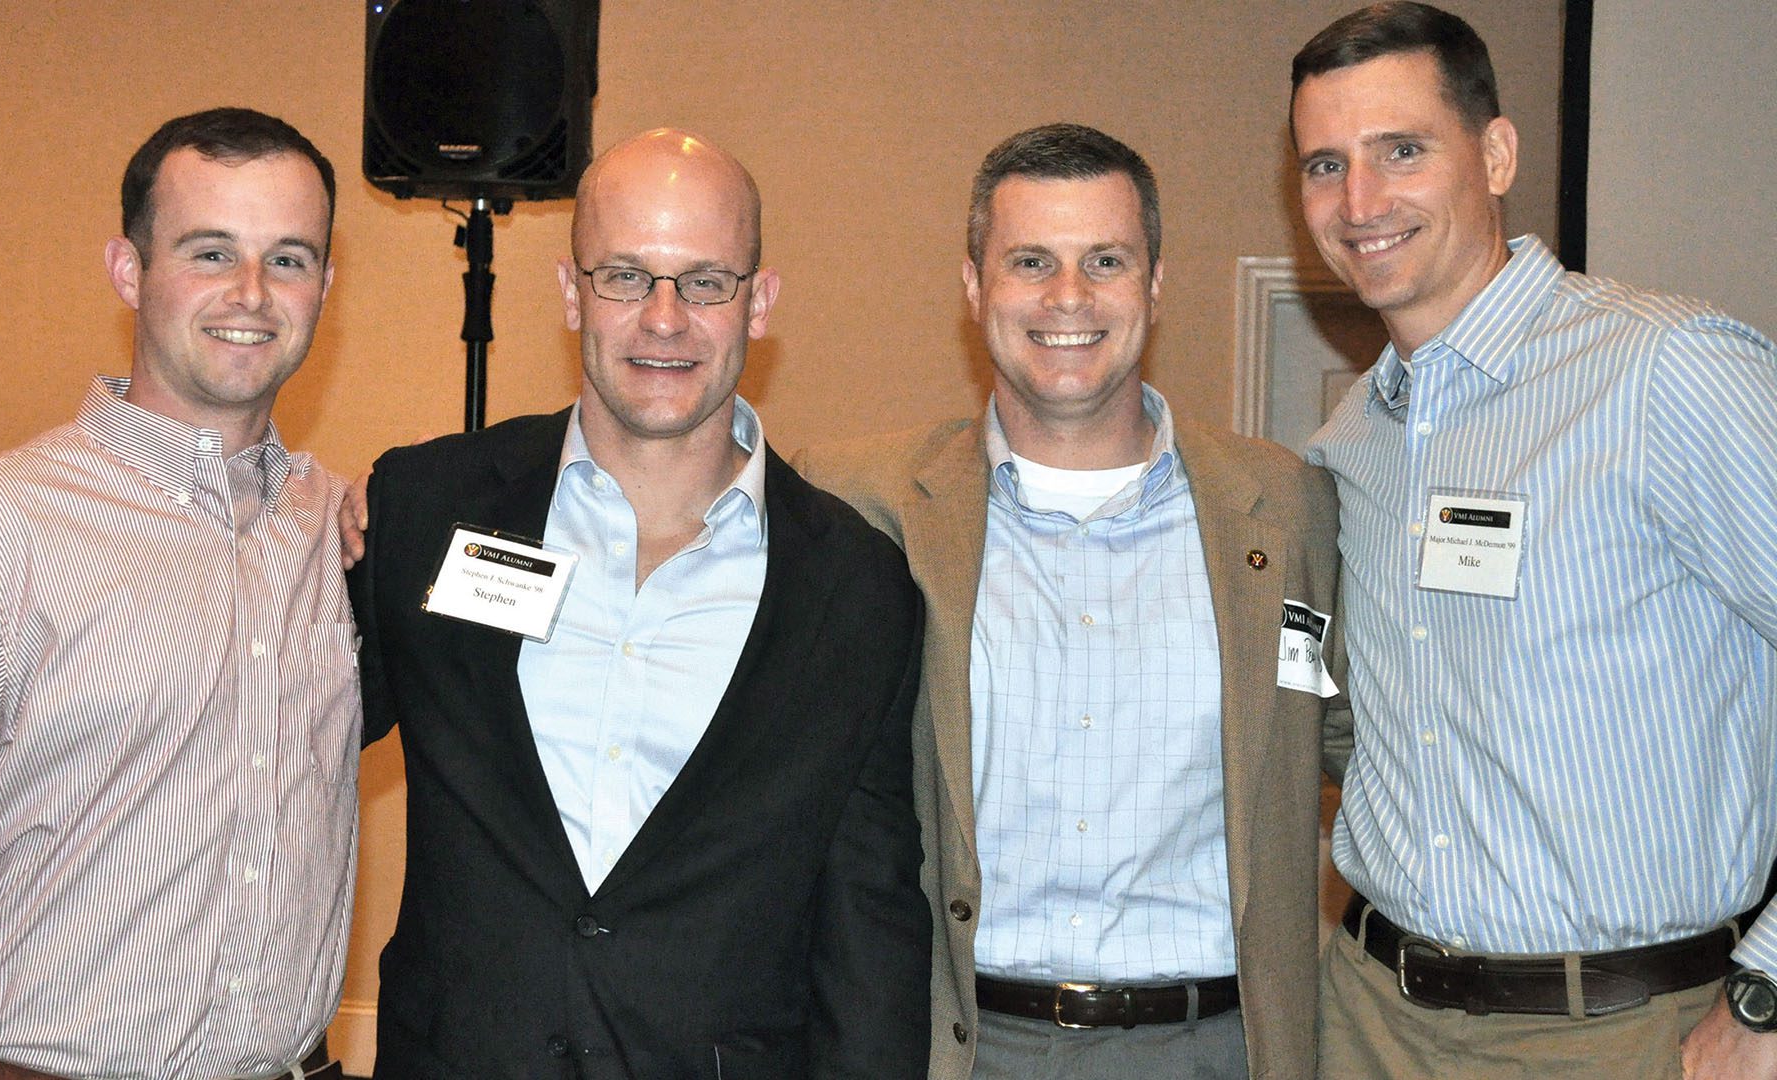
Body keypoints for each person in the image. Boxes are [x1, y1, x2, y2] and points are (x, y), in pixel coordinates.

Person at [346, 128, 930, 1079]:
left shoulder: (856, 588)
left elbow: (870, 927)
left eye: (706, 281)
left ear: (761, 301)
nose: (665, 319)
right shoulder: (430, 507)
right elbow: (275, 736)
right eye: (625, 276)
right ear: (570, 293)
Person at [798, 123, 1346, 1080]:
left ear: (1155, 282)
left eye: (1105, 260)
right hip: (960, 1050)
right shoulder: (860, 504)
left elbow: (1377, 751)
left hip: (1217, 1050)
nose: (1068, 297)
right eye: (1029, 261)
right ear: (974, 287)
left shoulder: (1285, 506)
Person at [1289, 5, 1777, 1078]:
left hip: (1634, 1034)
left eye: (1401, 151)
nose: (1359, 202)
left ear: (1497, 153)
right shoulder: (1346, 447)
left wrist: (1768, 993)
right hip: (1373, 1023)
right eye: (1326, 164)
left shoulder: (1665, 372)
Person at [0, 108, 353, 1080]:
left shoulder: (334, 528)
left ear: (326, 287)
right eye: (211, 252)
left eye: (288, 259)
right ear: (129, 270)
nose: (251, 293)